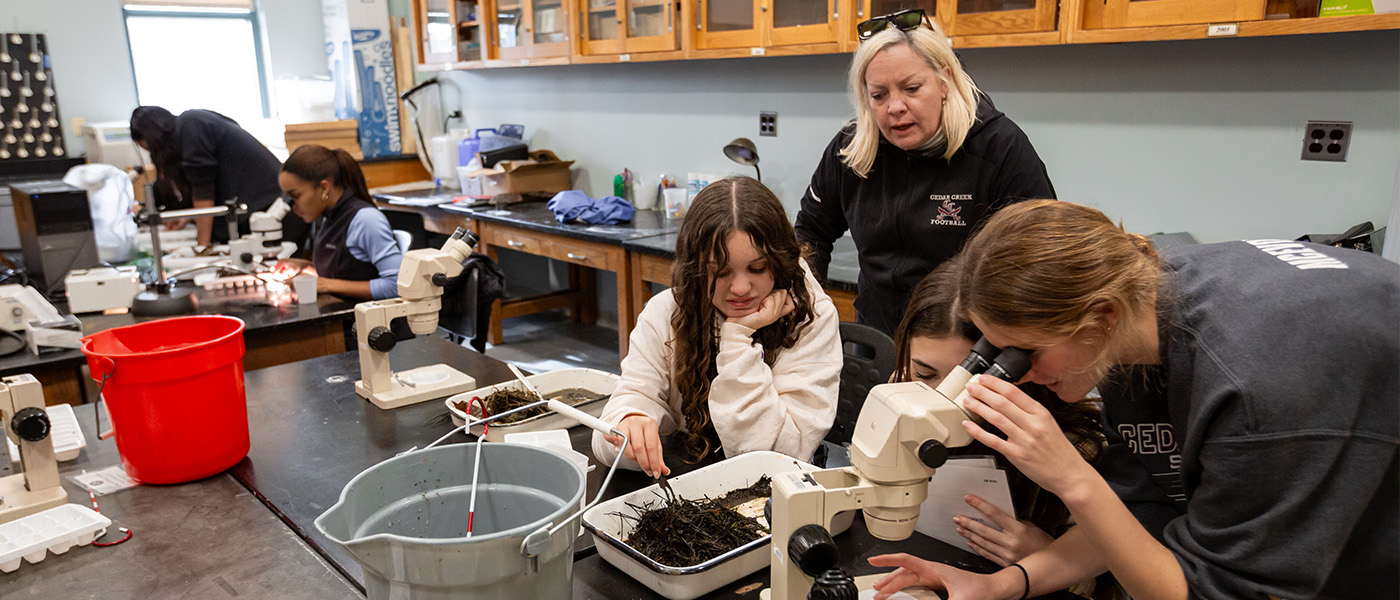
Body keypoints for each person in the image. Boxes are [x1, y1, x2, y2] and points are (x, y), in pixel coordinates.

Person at [870, 199, 1399, 600]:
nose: (1019, 376)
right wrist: (999, 586)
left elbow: (1214, 590)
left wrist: (1071, 478)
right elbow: (1137, 520)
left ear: (1100, 315)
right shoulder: (1137, 318)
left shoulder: (1256, 387)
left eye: (1025, 352)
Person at [794, 9, 1054, 336]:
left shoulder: (999, 148)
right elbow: (811, 231)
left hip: (963, 348)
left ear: (944, 81)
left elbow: (1038, 262)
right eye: (879, 95)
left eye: (912, 88)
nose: (895, 107)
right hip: (877, 339)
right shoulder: (850, 149)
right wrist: (805, 306)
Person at [891, 262, 1119, 599]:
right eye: (924, 375)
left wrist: (1052, 559)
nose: (943, 399)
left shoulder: (1079, 446)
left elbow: (1119, 579)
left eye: (971, 384)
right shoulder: (898, 399)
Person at [592, 177, 842, 476]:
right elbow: (618, 419)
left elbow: (775, 457)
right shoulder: (666, 311)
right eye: (720, 272)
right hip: (693, 484)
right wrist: (628, 419)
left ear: (780, 261)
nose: (740, 288)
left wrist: (736, 339)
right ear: (696, 269)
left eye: (758, 268)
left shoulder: (810, 317)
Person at [129, 105, 308, 248]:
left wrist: (201, 248)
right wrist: (189, 217)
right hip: (266, 211)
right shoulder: (193, 123)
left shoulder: (190, 124)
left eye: (151, 148)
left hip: (276, 213)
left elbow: (204, 191)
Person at [275, 144, 402, 300]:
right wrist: (305, 267)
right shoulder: (329, 216)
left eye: (295, 196)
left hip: (375, 322)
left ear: (323, 188)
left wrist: (323, 284)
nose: (291, 206)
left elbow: (396, 285)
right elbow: (349, 273)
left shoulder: (366, 220)